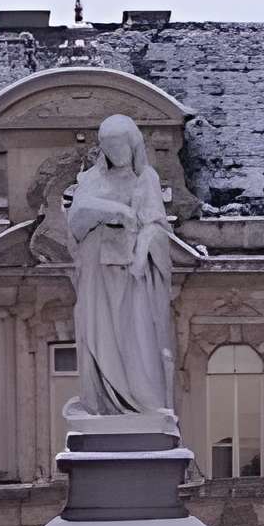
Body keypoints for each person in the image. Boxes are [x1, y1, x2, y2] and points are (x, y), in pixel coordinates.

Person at [61, 114, 178, 423]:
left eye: (120, 144)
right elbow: (76, 219)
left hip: (131, 275)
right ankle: (103, 402)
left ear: (133, 144)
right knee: (98, 334)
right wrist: (117, 210)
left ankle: (142, 402)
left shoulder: (146, 178)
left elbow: (155, 225)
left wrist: (141, 254)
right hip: (97, 272)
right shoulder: (91, 180)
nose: (115, 151)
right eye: (109, 145)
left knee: (137, 337)